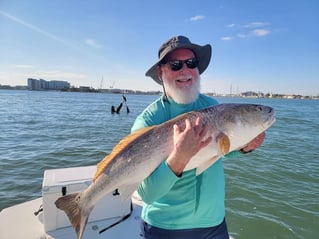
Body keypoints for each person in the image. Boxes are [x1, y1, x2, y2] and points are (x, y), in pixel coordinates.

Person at [131, 35, 265, 239]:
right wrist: (179, 157)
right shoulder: (148, 121)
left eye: (191, 63)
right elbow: (147, 194)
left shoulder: (212, 105)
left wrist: (243, 148)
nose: (184, 70)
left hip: (215, 224)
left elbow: (220, 149)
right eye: (175, 65)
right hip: (166, 229)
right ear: (161, 72)